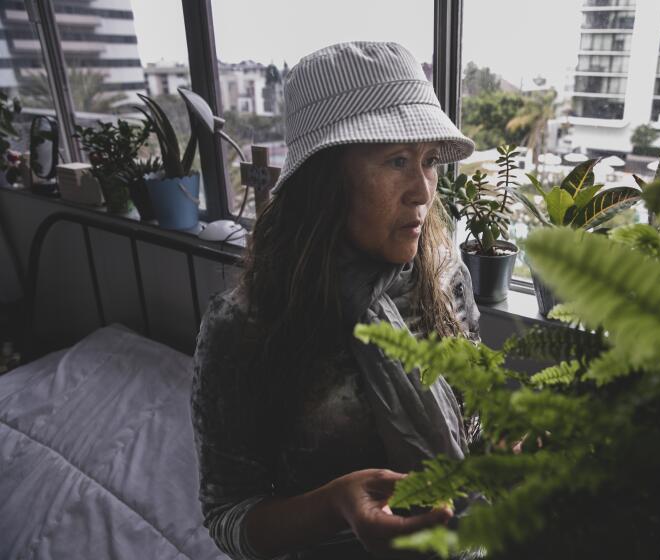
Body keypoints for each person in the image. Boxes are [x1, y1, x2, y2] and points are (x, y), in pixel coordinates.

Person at [191, 41, 481, 560]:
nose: (423, 191)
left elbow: (470, 420)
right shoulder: (246, 327)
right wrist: (332, 507)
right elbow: (228, 515)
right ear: (324, 182)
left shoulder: (444, 276)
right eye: (396, 160)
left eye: (429, 161)